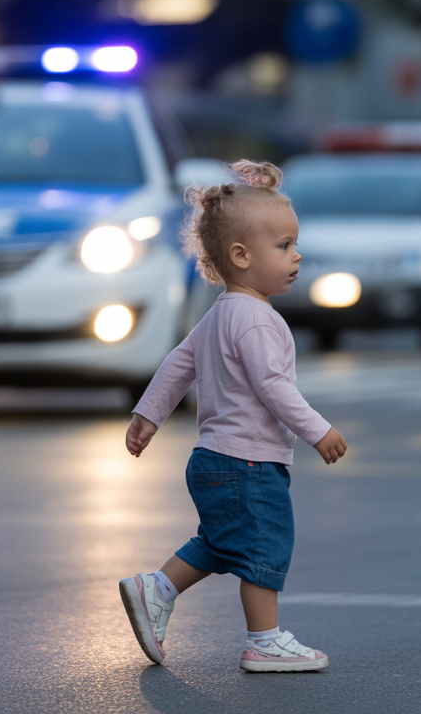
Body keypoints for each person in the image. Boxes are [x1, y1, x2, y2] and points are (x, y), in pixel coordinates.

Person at [118, 160, 348, 672]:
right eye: (283, 246)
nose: (296, 255)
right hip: (248, 463)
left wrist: (148, 415)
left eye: (294, 243)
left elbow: (177, 364)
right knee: (265, 545)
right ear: (241, 255)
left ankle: (156, 589)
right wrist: (319, 431)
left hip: (213, 460)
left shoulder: (220, 313)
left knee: (223, 543)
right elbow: (274, 387)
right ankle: (264, 641)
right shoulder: (256, 320)